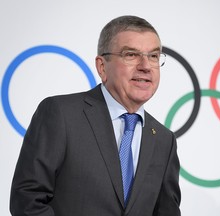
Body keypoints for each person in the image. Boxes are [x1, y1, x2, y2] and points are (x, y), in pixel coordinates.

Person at [10, 15, 181, 216]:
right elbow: (28, 200)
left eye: (153, 56)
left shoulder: (163, 139)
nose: (145, 66)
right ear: (102, 67)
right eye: (131, 55)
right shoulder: (61, 114)